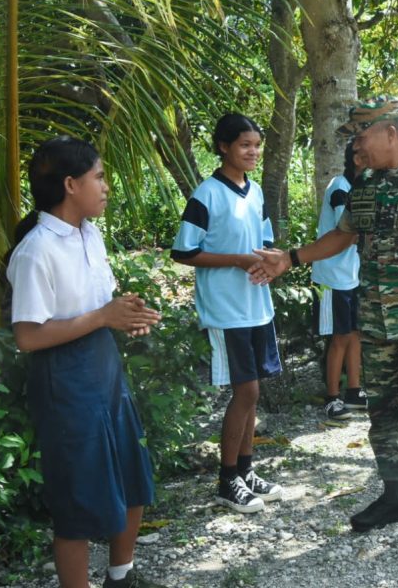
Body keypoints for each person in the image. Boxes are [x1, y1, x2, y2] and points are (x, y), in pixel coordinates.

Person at [256, 96, 398, 561]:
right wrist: (289, 259)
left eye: (361, 135)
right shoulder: (367, 185)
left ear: (390, 133)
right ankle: (396, 497)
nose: (357, 145)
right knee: (383, 413)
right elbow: (342, 235)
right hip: (374, 321)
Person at [6, 136, 164, 588]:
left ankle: (121, 575)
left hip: (104, 370)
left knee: (132, 478)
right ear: (71, 184)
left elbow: (96, 308)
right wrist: (101, 317)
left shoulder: (87, 233)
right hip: (66, 383)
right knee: (76, 502)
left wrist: (123, 315)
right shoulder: (37, 250)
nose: (106, 186)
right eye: (99, 177)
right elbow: (28, 336)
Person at [171, 113, 284, 514]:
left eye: (257, 145)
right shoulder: (207, 194)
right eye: (244, 145)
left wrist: (266, 261)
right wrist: (235, 260)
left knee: (253, 391)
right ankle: (226, 479)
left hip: (256, 305)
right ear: (223, 147)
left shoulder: (254, 192)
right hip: (225, 308)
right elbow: (184, 251)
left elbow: (266, 237)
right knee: (246, 390)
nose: (253, 152)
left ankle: (246, 471)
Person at [312, 141, 367, 422]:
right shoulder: (340, 188)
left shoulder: (359, 186)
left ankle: (354, 390)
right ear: (357, 158)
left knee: (355, 333)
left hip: (351, 274)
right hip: (333, 276)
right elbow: (345, 233)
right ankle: (332, 397)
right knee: (339, 337)